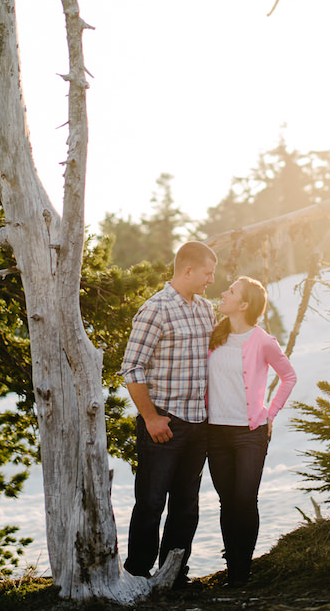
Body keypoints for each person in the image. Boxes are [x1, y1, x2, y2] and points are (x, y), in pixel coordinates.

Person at [120, 240, 218, 585]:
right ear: (188, 270)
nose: (210, 280)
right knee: (150, 502)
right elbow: (132, 369)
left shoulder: (206, 309)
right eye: (207, 274)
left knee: (186, 506)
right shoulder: (155, 310)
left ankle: (173, 574)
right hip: (164, 422)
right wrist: (150, 417)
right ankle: (137, 574)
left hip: (198, 424)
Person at [205, 276, 297, 587]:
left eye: (231, 292)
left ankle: (242, 572)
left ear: (244, 305)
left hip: (249, 432)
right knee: (227, 502)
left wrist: (270, 413)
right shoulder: (213, 335)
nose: (224, 294)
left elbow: (289, 377)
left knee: (245, 499)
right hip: (215, 432)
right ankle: (233, 570)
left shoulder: (263, 341)